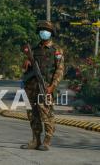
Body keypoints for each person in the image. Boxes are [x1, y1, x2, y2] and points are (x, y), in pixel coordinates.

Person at [21, 20, 65, 151]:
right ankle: (36, 140)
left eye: (46, 31)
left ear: (51, 33)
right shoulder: (33, 50)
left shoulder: (56, 51)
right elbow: (25, 70)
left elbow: (60, 70)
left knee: (47, 114)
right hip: (31, 88)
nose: (43, 33)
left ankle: (47, 141)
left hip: (45, 87)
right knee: (32, 115)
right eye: (41, 30)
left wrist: (52, 86)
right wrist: (26, 62)